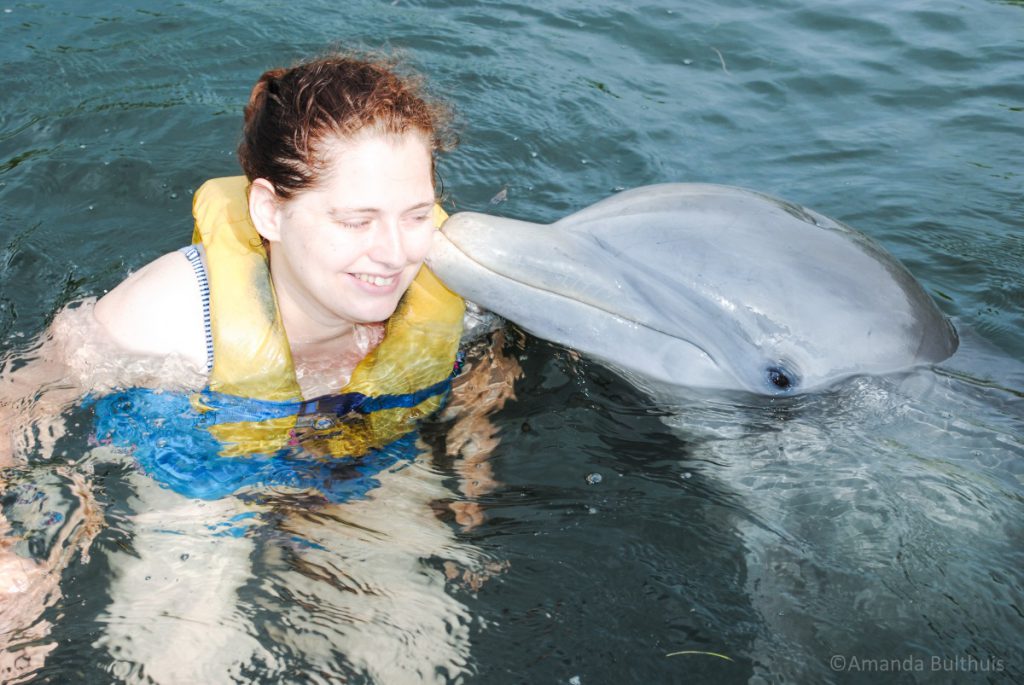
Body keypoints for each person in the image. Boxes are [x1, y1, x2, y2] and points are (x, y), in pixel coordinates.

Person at [0, 52, 519, 681]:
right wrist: (16, 546)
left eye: (416, 215)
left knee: (418, 648)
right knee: (188, 655)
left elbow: (484, 375)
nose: (394, 253)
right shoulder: (167, 316)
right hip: (199, 470)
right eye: (356, 220)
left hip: (363, 458)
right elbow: (21, 400)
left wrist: (470, 469)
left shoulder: (452, 295)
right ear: (269, 210)